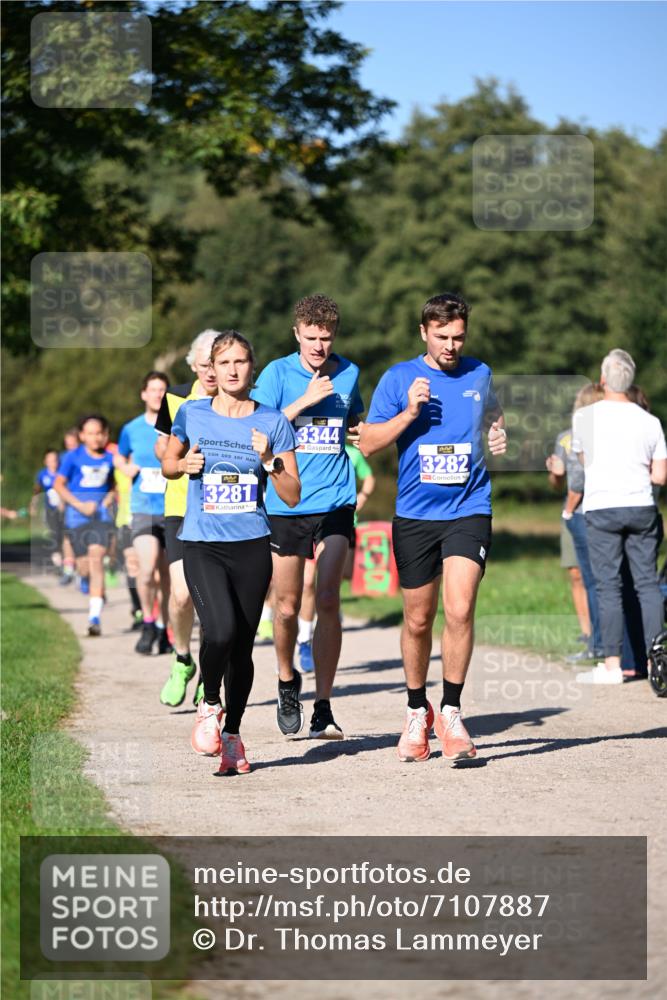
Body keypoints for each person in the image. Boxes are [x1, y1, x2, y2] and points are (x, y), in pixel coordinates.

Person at [360, 292, 507, 764]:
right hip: (416, 515)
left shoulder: (479, 374)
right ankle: (415, 709)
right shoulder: (399, 378)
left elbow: (492, 415)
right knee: (419, 619)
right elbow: (367, 444)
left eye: (458, 336)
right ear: (423, 332)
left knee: (459, 609)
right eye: (442, 336)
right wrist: (407, 412)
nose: (450, 345)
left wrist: (499, 432)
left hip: (469, 507)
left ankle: (451, 710)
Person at [161, 330, 300, 775]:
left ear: (251, 368)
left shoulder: (274, 422)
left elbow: (293, 495)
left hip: (252, 545)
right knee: (218, 631)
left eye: (241, 362)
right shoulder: (192, 413)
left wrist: (270, 460)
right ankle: (209, 702)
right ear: (212, 371)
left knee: (242, 647)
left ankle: (233, 736)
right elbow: (168, 462)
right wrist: (182, 466)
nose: (233, 370)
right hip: (202, 542)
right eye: (224, 363)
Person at [251, 294, 364, 740]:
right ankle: (285, 680)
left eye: (326, 338)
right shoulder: (276, 374)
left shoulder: (350, 372)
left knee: (329, 598)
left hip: (336, 500)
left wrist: (363, 431)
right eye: (311, 337)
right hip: (286, 503)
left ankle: (323, 705)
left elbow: (353, 422)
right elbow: (256, 429)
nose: (319, 346)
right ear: (297, 333)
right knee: (285, 605)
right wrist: (303, 402)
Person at [572, 349, 666, 684]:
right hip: (641, 506)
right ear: (631, 380)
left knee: (609, 585)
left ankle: (612, 665)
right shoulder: (650, 422)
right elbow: (659, 476)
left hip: (602, 507)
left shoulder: (585, 418)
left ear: (602, 380)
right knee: (647, 584)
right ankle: (657, 659)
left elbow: (583, 462)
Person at [155, 329, 220, 707]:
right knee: (181, 596)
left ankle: (210, 677)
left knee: (212, 599)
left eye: (218, 362)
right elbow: (163, 448)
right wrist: (178, 461)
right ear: (194, 365)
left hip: (223, 510)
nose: (212, 371)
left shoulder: (238, 402)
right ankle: (182, 658)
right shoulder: (176, 397)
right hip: (181, 507)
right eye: (206, 363)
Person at [296, 443, 376, 673]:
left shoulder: (352, 454)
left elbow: (369, 478)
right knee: (308, 581)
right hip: (311, 519)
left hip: (342, 522)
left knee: (336, 580)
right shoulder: (308, 448)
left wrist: (362, 496)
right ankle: (304, 640)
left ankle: (328, 612)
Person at [546, 383, 604, 662]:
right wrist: (555, 474)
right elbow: (558, 483)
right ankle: (587, 631)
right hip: (572, 511)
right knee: (577, 574)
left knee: (599, 576)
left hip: (591, 510)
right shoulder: (565, 438)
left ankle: (602, 636)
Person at [116, 371, 172, 655]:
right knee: (147, 569)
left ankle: (164, 627)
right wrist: (125, 469)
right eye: (153, 390)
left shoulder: (176, 424)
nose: (158, 395)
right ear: (143, 394)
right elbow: (119, 454)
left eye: (163, 389)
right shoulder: (131, 428)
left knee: (167, 576)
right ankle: (148, 622)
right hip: (144, 510)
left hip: (173, 508)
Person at [54, 414, 116, 636]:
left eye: (99, 433)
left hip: (101, 519)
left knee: (96, 560)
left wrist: (109, 497)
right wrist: (79, 505)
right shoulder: (73, 457)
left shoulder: (111, 458)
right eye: (90, 433)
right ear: (82, 435)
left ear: (106, 434)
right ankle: (93, 589)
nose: (95, 437)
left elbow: (116, 485)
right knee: (85, 568)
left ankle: (94, 618)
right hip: (76, 518)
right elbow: (59, 485)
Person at [30, 448, 65, 572]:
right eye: (50, 460)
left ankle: (67, 561)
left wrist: (64, 501)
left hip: (65, 510)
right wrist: (33, 505)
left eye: (55, 460)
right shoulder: (42, 474)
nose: (53, 463)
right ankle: (59, 564)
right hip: (50, 511)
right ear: (46, 461)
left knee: (66, 535)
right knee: (55, 534)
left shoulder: (63, 473)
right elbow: (37, 490)